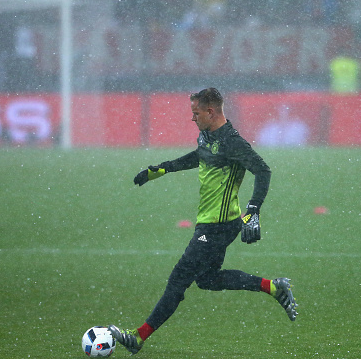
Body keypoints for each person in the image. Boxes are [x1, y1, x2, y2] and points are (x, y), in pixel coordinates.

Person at [109, 88, 297, 355]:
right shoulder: (207, 135)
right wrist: (161, 169)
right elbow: (199, 155)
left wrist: (253, 211)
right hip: (211, 223)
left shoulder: (233, 142)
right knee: (208, 279)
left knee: (178, 280)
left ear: (211, 112)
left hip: (219, 226)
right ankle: (273, 286)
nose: (192, 118)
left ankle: (137, 338)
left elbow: (263, 170)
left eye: (195, 113)